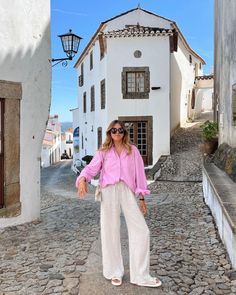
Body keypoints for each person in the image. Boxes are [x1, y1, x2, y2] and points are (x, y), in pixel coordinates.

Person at [76, 119, 162, 288]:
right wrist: (82, 179)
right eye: (113, 130)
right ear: (109, 133)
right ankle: (114, 271)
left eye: (120, 130)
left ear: (124, 132)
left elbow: (140, 175)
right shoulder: (103, 152)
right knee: (110, 231)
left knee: (142, 231)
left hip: (127, 190)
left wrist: (142, 197)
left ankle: (140, 275)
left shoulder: (133, 151)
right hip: (108, 191)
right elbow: (91, 169)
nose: (117, 133)